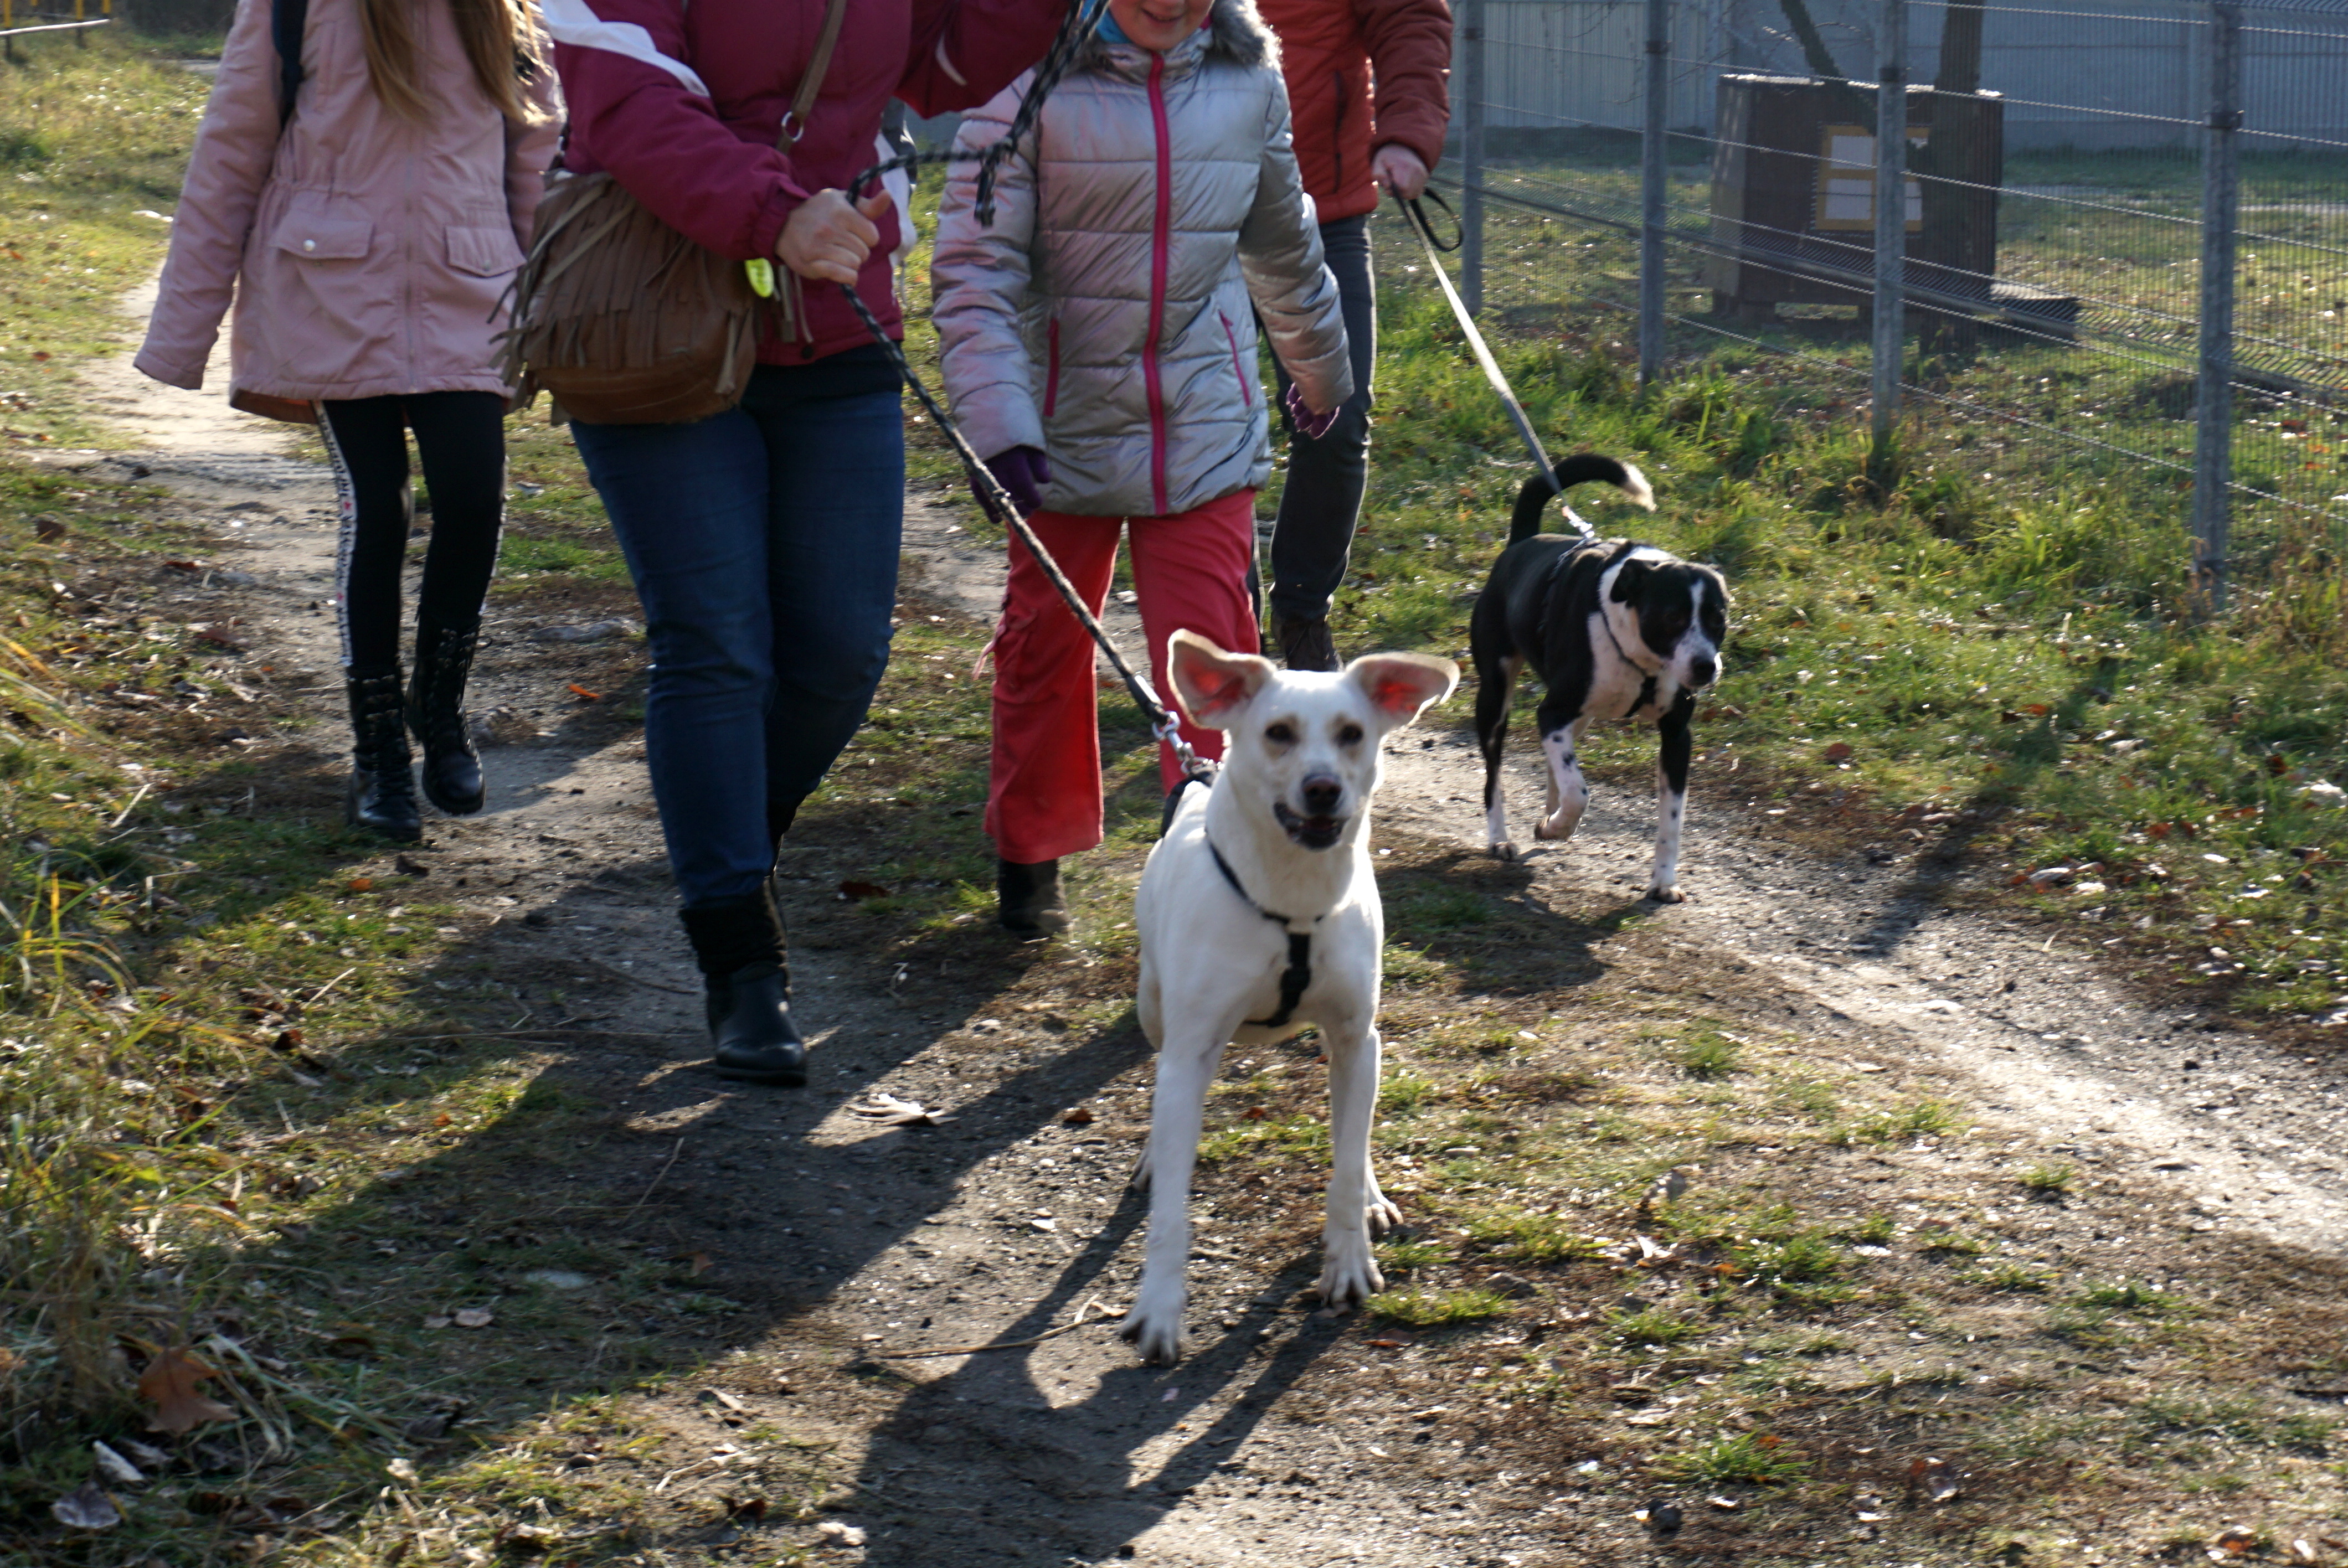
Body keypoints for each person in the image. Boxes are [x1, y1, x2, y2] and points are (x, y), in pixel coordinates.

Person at [544, 0, 1069, 1086]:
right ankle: (738, 954)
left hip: (834, 317)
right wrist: (769, 211)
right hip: (655, 309)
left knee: (838, 652)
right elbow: (627, 103)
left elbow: (944, 64)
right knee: (716, 643)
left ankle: (732, 842)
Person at [932, 0, 1352, 938]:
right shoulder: (1023, 73)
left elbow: (1283, 241)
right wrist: (997, 421)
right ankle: (1031, 852)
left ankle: (1209, 855)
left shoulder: (1250, 79)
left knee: (1214, 654)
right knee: (1043, 640)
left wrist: (1322, 372)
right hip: (1055, 424)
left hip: (1200, 415)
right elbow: (976, 265)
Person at [138, 0, 564, 840]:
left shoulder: (508, 16)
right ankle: (378, 754)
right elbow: (229, 159)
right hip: (328, 290)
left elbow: (537, 171)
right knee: (378, 509)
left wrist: (545, 321)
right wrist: (180, 337)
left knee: (475, 503)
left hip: (470, 292)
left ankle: (437, 710)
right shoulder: (294, 9)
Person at [1257, 0, 1452, 670]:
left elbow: (1409, 18)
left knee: (1336, 424)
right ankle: (1216, 620)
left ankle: (1302, 612)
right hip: (1190, 203)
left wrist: (1404, 134)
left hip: (1323, 209)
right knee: (1199, 430)